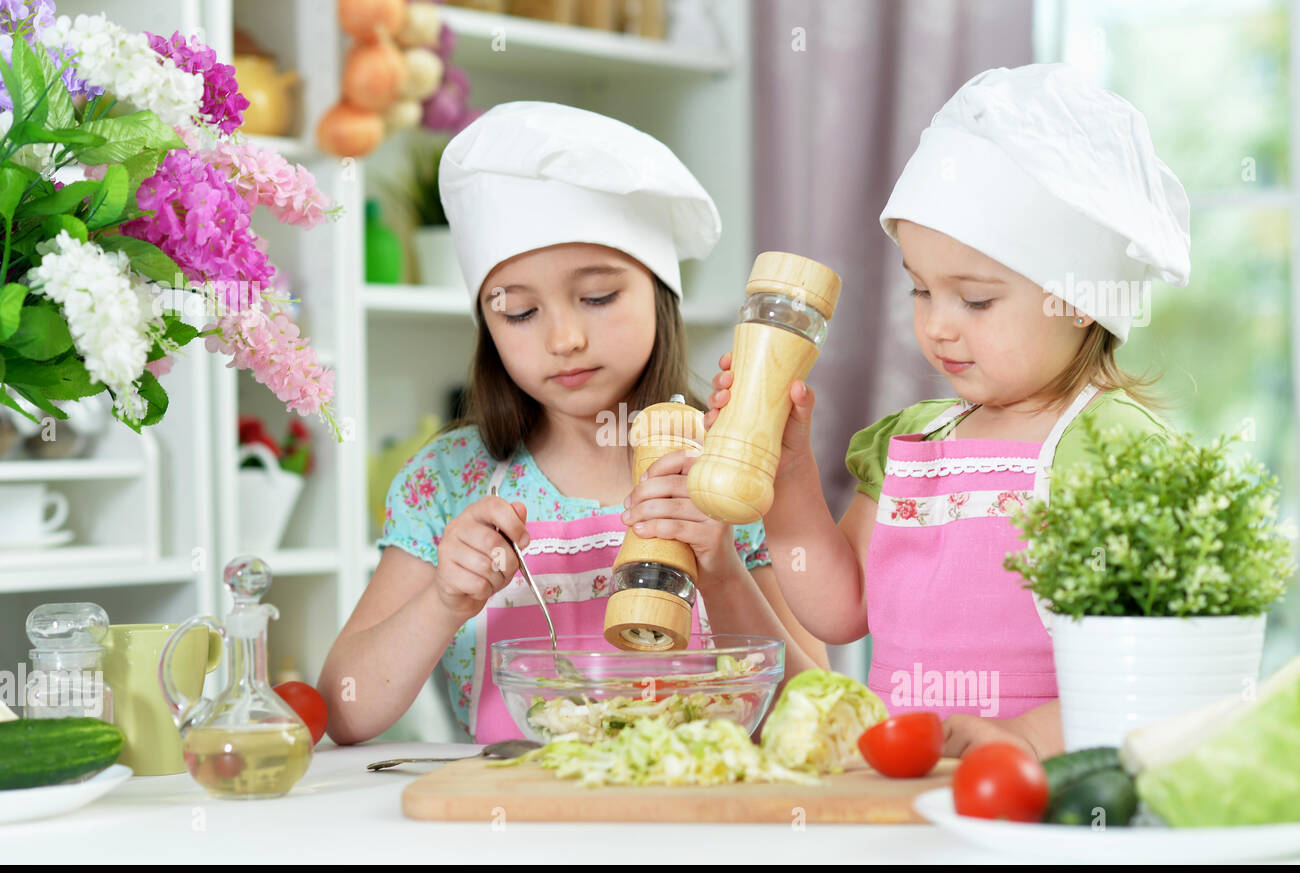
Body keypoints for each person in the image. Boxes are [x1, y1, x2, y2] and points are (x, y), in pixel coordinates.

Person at [705, 64, 1191, 760]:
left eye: (976, 299)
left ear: (1082, 296)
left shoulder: (1112, 447)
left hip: (1043, 789)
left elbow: (1147, 668)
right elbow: (841, 608)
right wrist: (788, 483)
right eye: (921, 290)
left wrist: (1022, 737)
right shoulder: (912, 441)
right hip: (904, 780)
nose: (935, 326)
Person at [321, 101, 826, 745]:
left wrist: (720, 567)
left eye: (596, 298)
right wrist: (442, 600)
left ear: (658, 294)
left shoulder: (733, 464)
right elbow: (344, 710)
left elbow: (813, 713)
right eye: (520, 312)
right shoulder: (448, 479)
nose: (564, 338)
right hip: (517, 826)